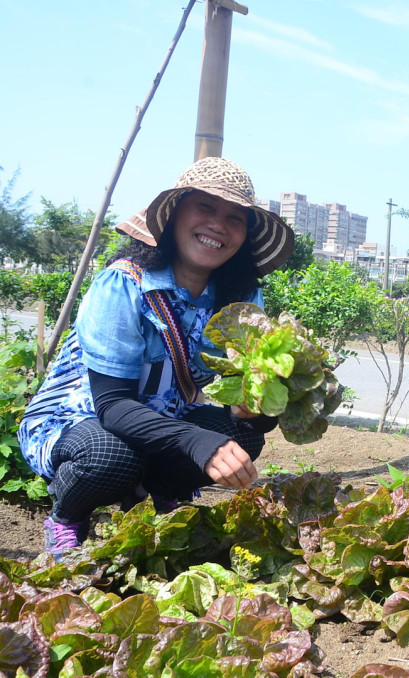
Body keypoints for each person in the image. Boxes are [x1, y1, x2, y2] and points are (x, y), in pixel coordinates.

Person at [18, 156, 295, 561]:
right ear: (174, 215)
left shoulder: (240, 300)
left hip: (162, 422)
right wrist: (199, 441)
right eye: (205, 207)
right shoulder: (124, 283)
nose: (218, 225)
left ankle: (155, 497)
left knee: (242, 437)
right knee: (111, 455)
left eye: (235, 218)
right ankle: (66, 518)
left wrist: (257, 408)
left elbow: (248, 400)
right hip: (80, 422)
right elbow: (112, 407)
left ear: (245, 236)